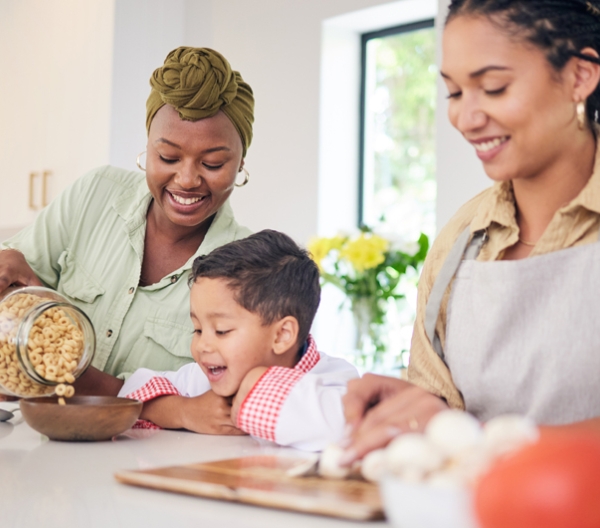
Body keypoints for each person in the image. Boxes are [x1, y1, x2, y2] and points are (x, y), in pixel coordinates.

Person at [341, 0, 600, 464]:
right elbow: (442, 419)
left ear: (580, 76)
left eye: (494, 88)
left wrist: (469, 439)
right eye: (455, 93)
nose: (465, 117)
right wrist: (415, 415)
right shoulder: (459, 243)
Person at [0, 47, 254, 434]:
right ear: (147, 148)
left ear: (240, 163)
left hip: (150, 465)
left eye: (213, 164)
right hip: (39, 444)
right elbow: (16, 274)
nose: (186, 179)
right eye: (168, 156)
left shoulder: (249, 269)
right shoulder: (96, 193)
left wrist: (88, 380)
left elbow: (225, 404)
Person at [118, 230, 359, 451]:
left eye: (221, 331)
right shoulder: (203, 380)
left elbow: (350, 427)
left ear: (282, 335)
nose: (202, 345)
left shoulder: (337, 380)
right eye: (198, 330)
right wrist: (186, 412)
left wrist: (256, 384)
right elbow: (131, 397)